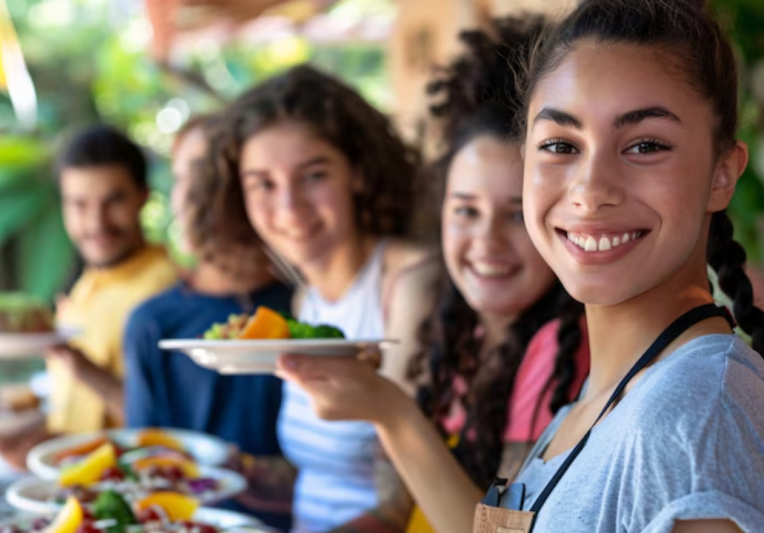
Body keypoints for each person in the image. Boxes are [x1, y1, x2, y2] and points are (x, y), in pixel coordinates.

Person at [274, 17, 590, 533]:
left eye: (514, 214)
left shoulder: (558, 351)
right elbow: (392, 509)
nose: (486, 243)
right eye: (465, 210)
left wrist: (391, 412)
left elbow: (496, 532)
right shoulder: (453, 331)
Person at [488, 0, 764, 531]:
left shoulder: (691, 417)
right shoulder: (607, 398)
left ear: (722, 175)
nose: (591, 192)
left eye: (644, 145)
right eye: (561, 144)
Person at [206, 64, 439, 532]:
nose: (289, 207)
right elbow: (323, 472)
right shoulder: (305, 301)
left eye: (313, 175)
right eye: (263, 183)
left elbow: (397, 507)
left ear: (356, 171)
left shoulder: (410, 284)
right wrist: (222, 471)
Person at [123, 116, 293, 531]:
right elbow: (145, 464)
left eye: (209, 176)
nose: (193, 198)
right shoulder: (153, 322)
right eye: (182, 178)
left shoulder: (309, 310)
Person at [0, 124, 178, 469]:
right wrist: (26, 436)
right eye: (79, 204)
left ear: (144, 196)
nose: (96, 222)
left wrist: (72, 360)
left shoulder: (168, 291)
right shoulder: (86, 285)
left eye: (113, 201)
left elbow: (169, 424)